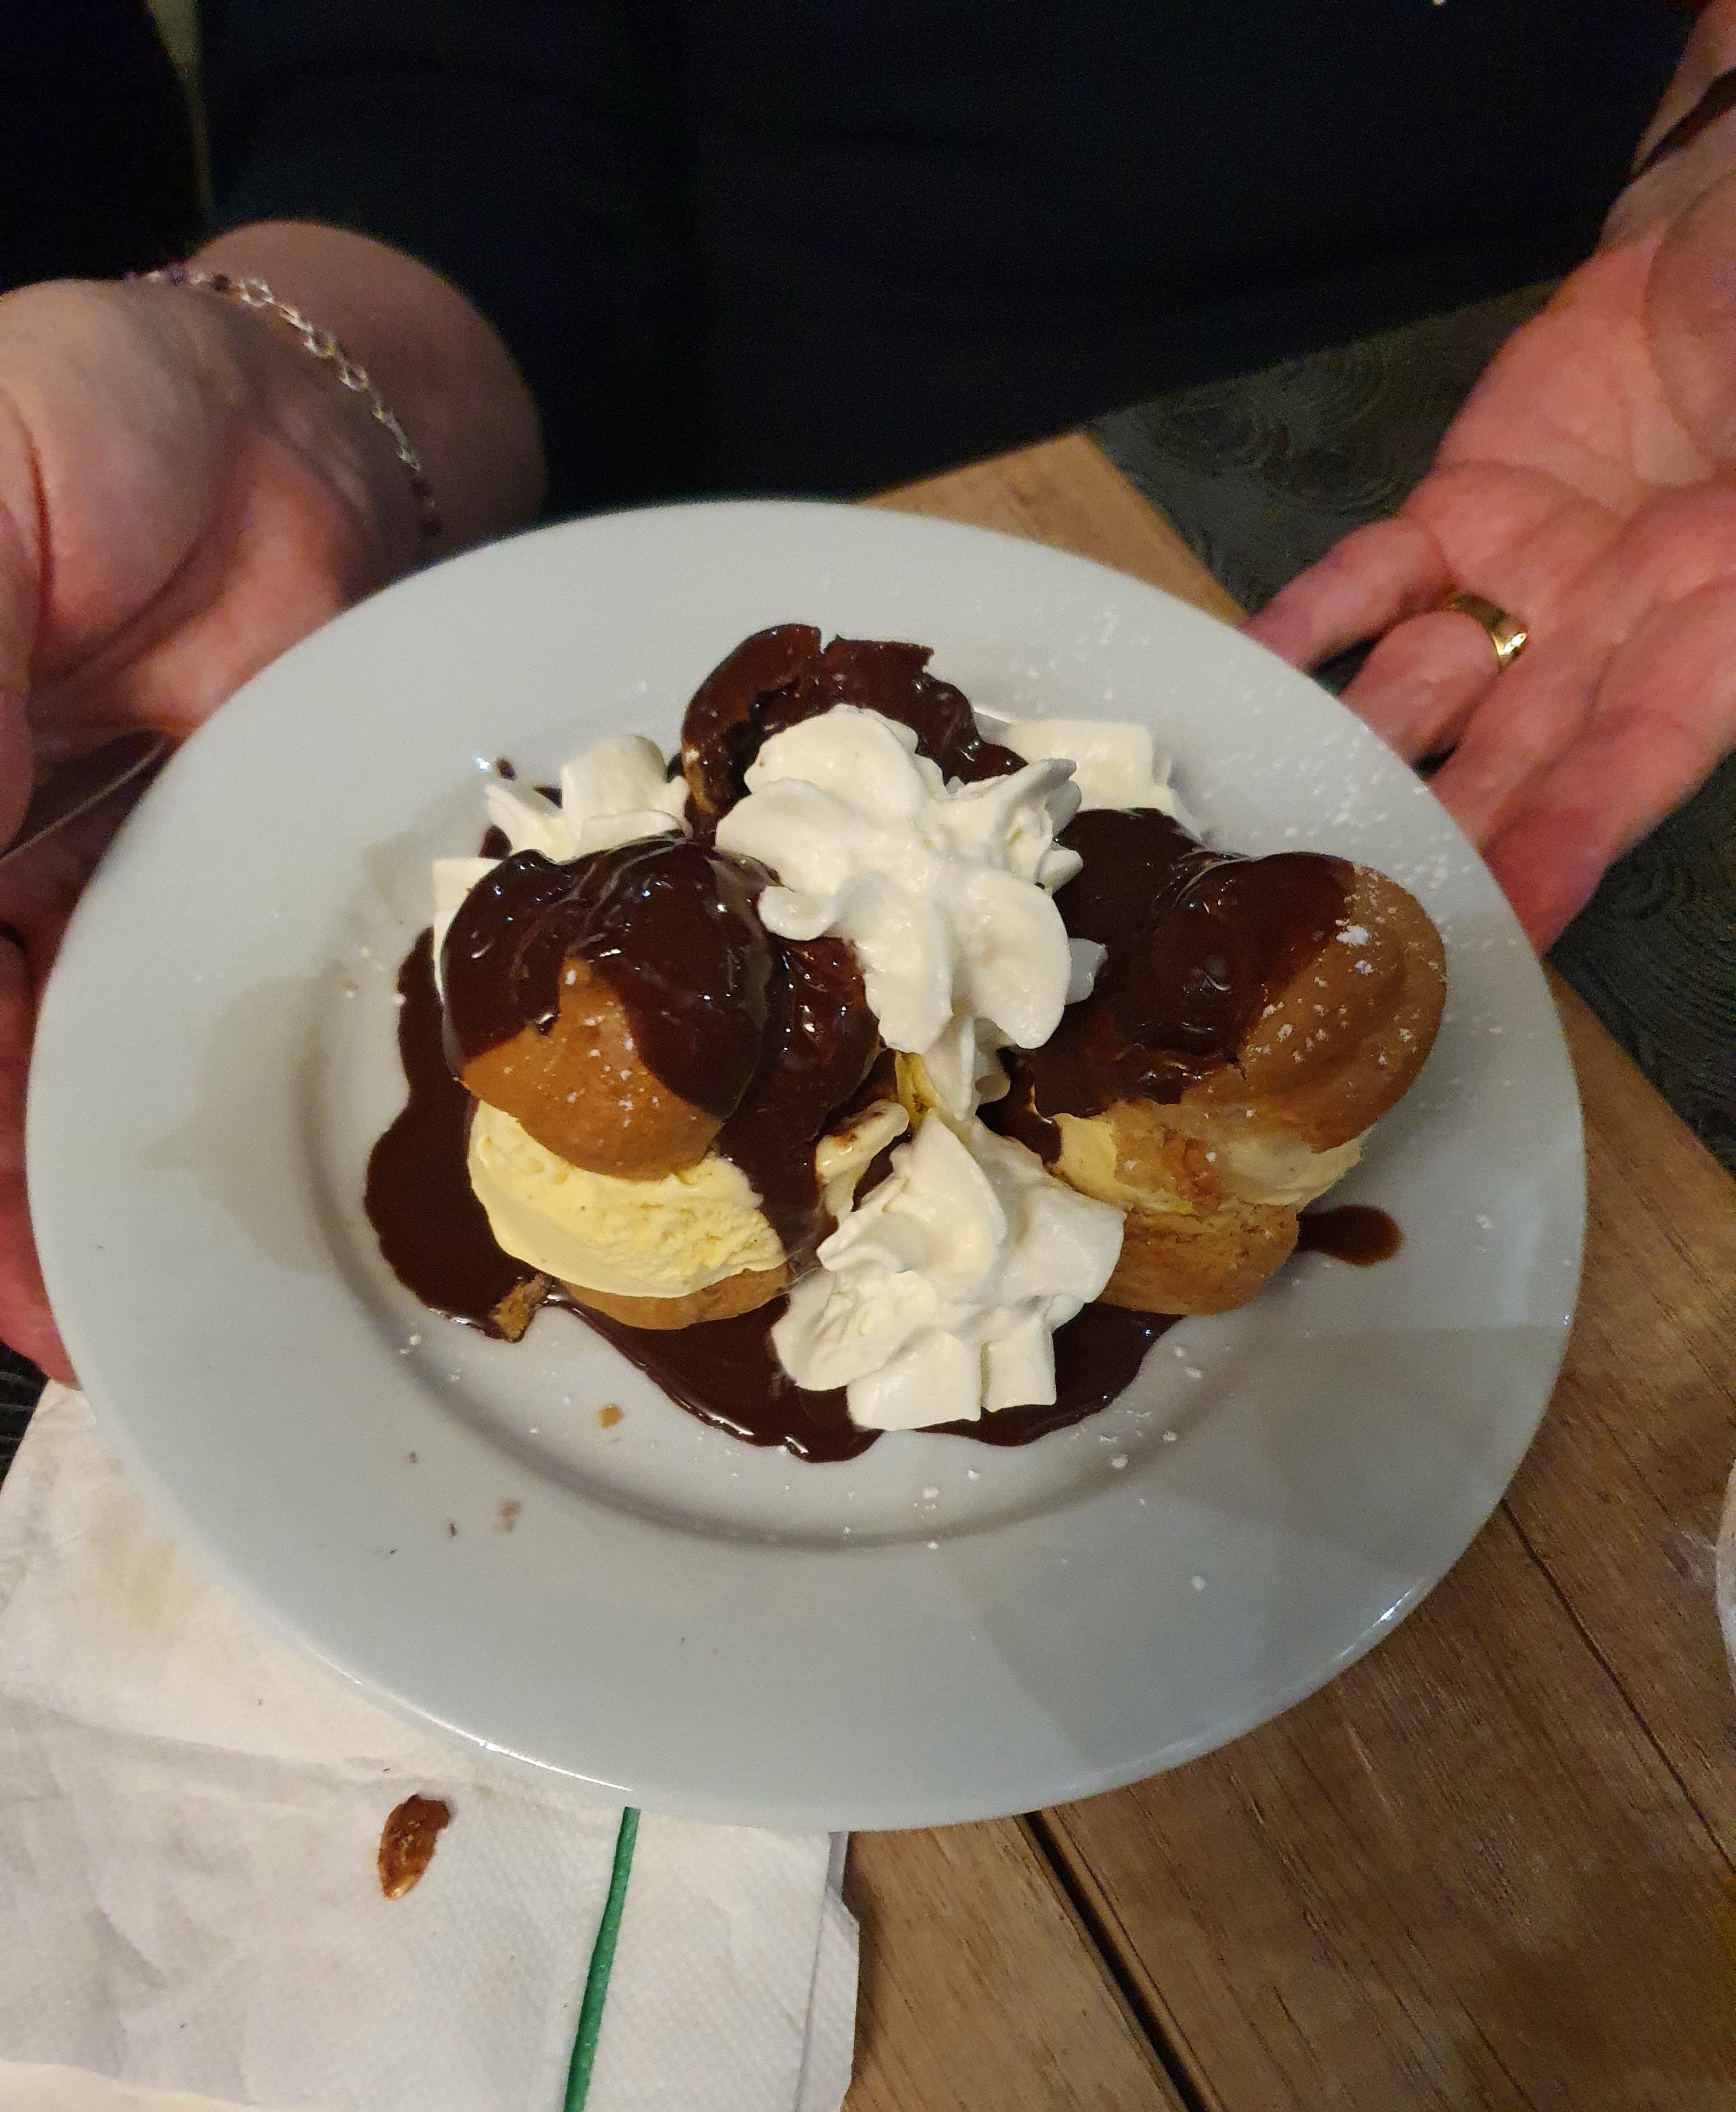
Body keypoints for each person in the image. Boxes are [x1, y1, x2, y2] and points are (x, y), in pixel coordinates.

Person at [0, 0, 1730, 1383]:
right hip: (700, 447)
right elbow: (444, 85)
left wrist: (1710, 155)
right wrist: (297, 404)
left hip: (1533, 403)